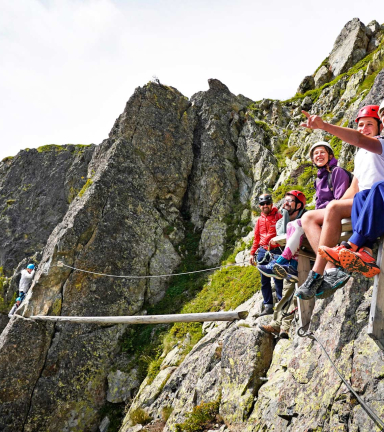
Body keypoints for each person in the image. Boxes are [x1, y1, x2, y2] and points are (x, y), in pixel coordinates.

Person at [296, 103, 384, 299]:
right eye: (360, 125)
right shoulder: (361, 154)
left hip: (377, 198)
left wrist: (325, 125)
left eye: (369, 124)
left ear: (380, 127)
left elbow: (358, 138)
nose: (364, 129)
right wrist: (331, 211)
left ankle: (318, 273)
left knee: (335, 207)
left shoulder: (380, 143)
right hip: (362, 198)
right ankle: (329, 270)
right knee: (309, 217)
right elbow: (355, 188)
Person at [258, 190, 307, 339]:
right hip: (292, 264)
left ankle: (283, 327)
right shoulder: (283, 221)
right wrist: (286, 216)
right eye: (284, 201)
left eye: (289, 201)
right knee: (286, 293)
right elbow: (282, 234)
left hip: (305, 262)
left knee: (292, 295)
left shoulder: (306, 218)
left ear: (299, 205)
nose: (285, 204)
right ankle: (278, 325)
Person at [250, 194, 283, 316]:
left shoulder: (278, 215)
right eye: (262, 204)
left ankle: (281, 304)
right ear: (259, 206)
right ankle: (268, 306)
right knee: (264, 280)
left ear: (271, 204)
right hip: (263, 251)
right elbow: (256, 238)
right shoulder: (259, 220)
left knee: (278, 278)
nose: (265, 206)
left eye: (267, 203)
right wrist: (252, 253)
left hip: (276, 250)